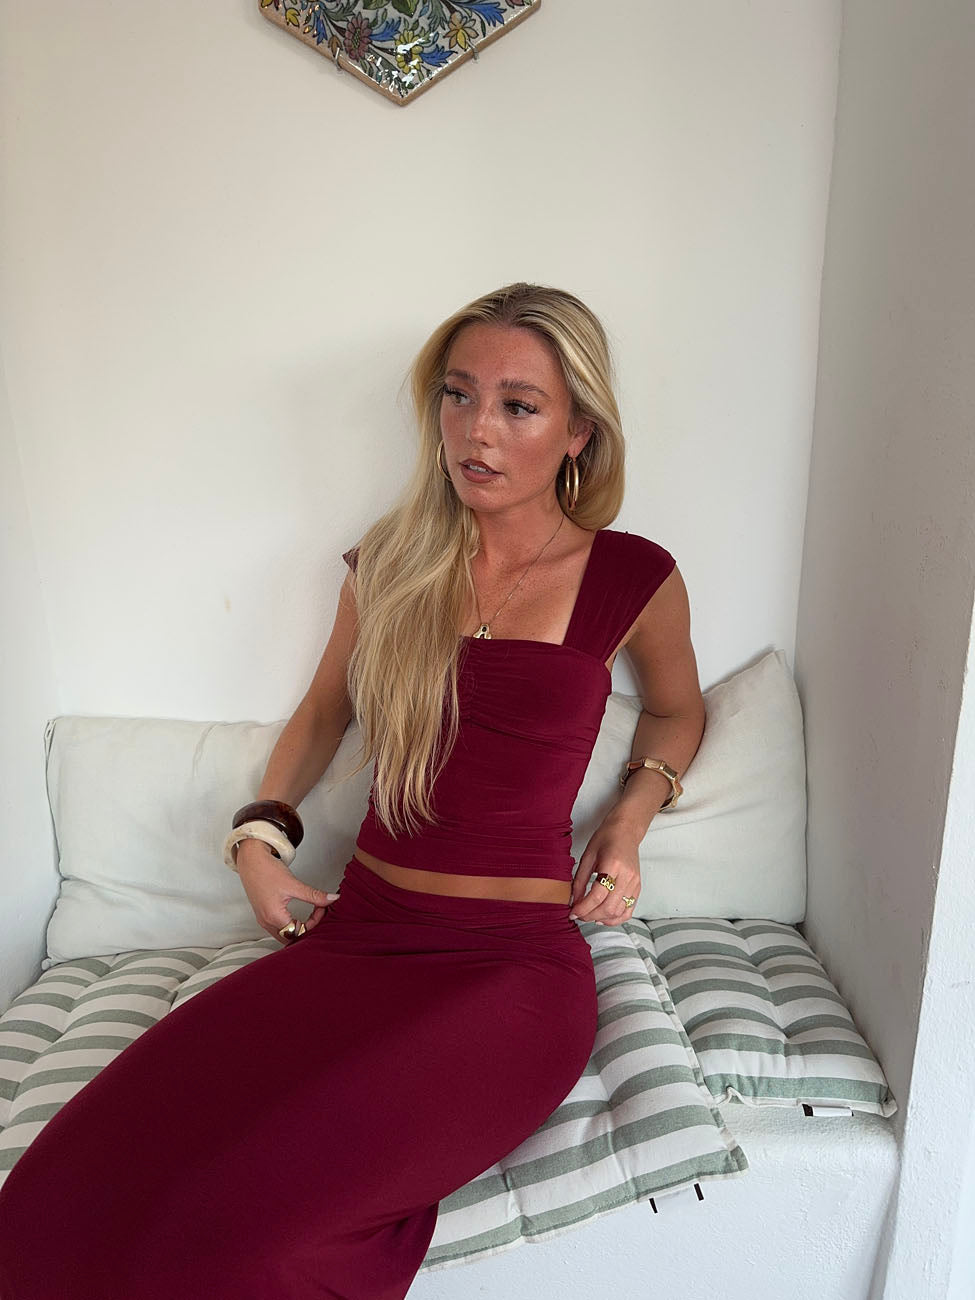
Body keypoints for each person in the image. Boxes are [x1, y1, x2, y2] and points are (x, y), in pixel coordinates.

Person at [0, 282, 706, 1299]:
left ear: (578, 432)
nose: (476, 430)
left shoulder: (631, 576)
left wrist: (628, 821)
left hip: (508, 976)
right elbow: (324, 713)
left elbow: (677, 713)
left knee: (251, 1240)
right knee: (58, 1191)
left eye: (518, 405)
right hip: (358, 939)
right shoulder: (393, 560)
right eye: (458, 395)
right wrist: (255, 842)